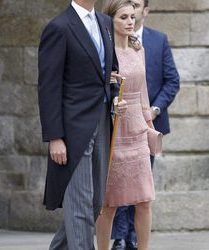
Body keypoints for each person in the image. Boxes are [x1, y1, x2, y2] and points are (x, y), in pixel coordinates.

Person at [38, 0, 127, 249]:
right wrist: (55, 137)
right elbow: (49, 87)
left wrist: (115, 95)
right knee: (80, 204)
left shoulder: (106, 23)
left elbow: (110, 72)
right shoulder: (59, 27)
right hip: (72, 129)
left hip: (101, 120)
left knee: (94, 202)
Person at [111, 0, 180, 249]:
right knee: (116, 188)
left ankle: (132, 237)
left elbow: (172, 80)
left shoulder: (157, 40)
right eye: (126, 11)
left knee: (141, 190)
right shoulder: (108, 44)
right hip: (117, 124)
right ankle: (119, 238)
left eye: (137, 6)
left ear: (145, 11)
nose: (132, 15)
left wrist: (152, 111)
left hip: (147, 123)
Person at [95, 1, 159, 250]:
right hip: (114, 128)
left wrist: (149, 127)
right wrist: (112, 102)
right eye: (124, 17)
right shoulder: (104, 52)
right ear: (111, 20)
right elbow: (98, 91)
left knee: (144, 201)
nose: (131, 21)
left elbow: (143, 93)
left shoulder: (137, 49)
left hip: (138, 132)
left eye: (132, 16)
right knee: (109, 204)